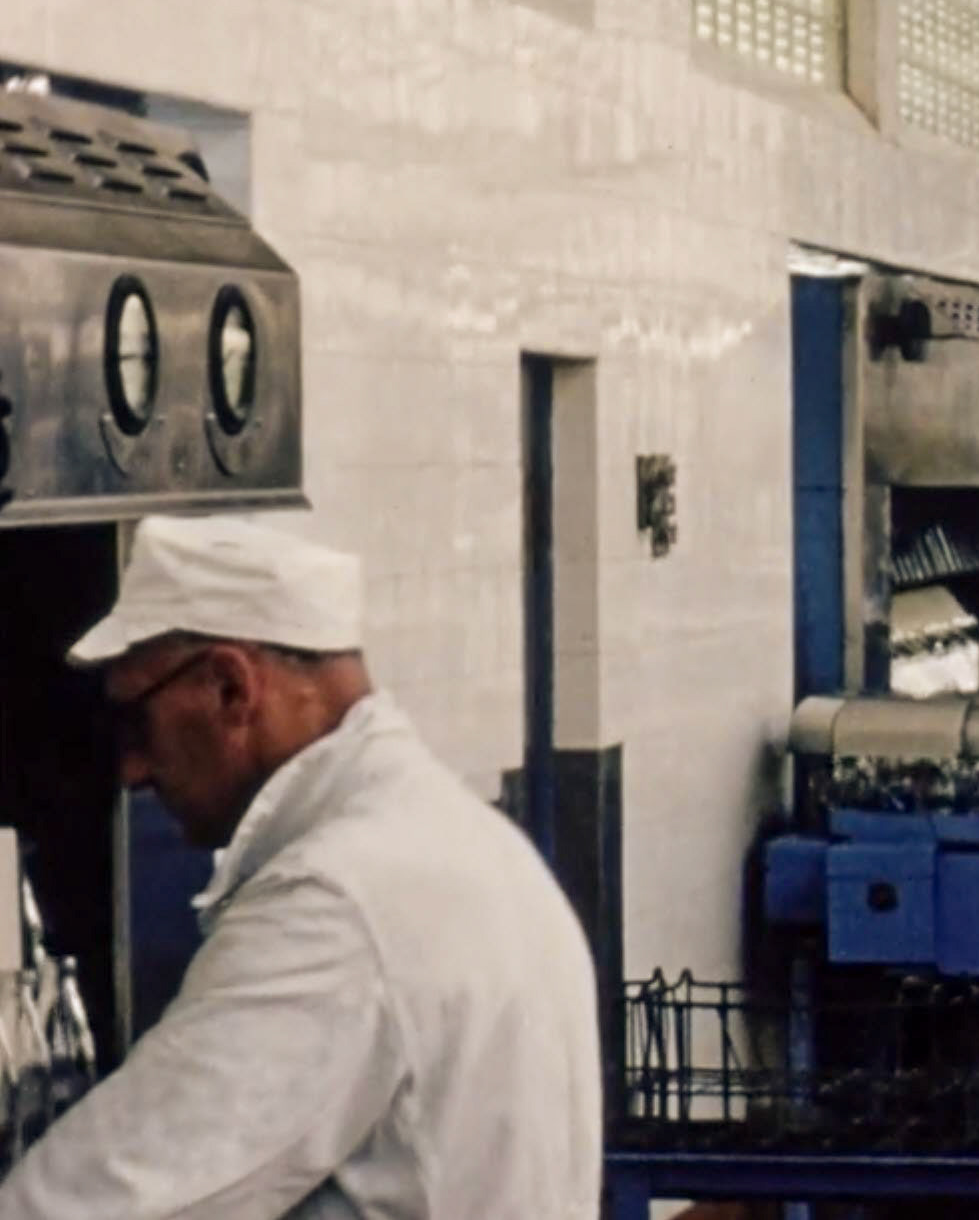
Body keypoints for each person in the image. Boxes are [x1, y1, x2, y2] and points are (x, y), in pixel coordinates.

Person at [0, 516, 602, 1219]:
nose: (132, 772)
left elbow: (99, 1202)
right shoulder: (466, 840)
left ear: (230, 688)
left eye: (137, 724)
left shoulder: (333, 902)